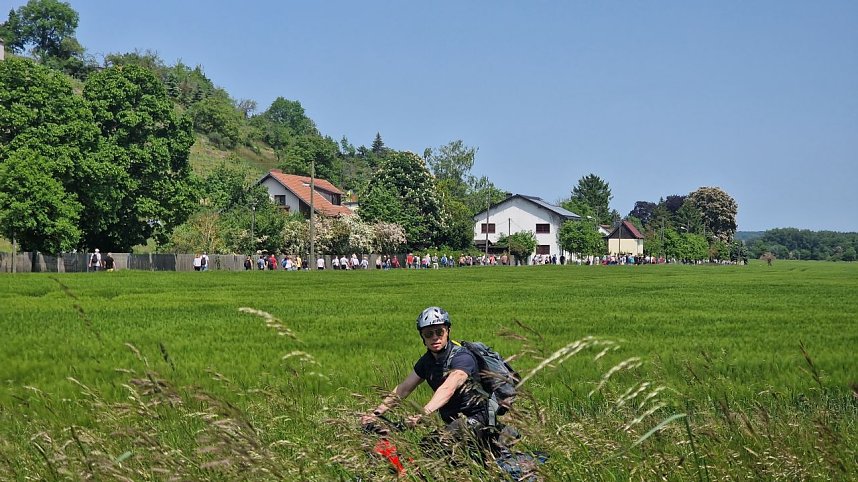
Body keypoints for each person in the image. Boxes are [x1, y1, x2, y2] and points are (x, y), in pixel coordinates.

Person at [361, 307, 508, 456]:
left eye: (439, 331)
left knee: (434, 449)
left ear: (448, 331)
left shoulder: (462, 357)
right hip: (453, 421)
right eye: (428, 333)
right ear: (422, 337)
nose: (435, 337)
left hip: (477, 419)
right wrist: (376, 413)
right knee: (426, 447)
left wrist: (423, 414)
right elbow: (403, 389)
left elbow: (448, 388)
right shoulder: (427, 361)